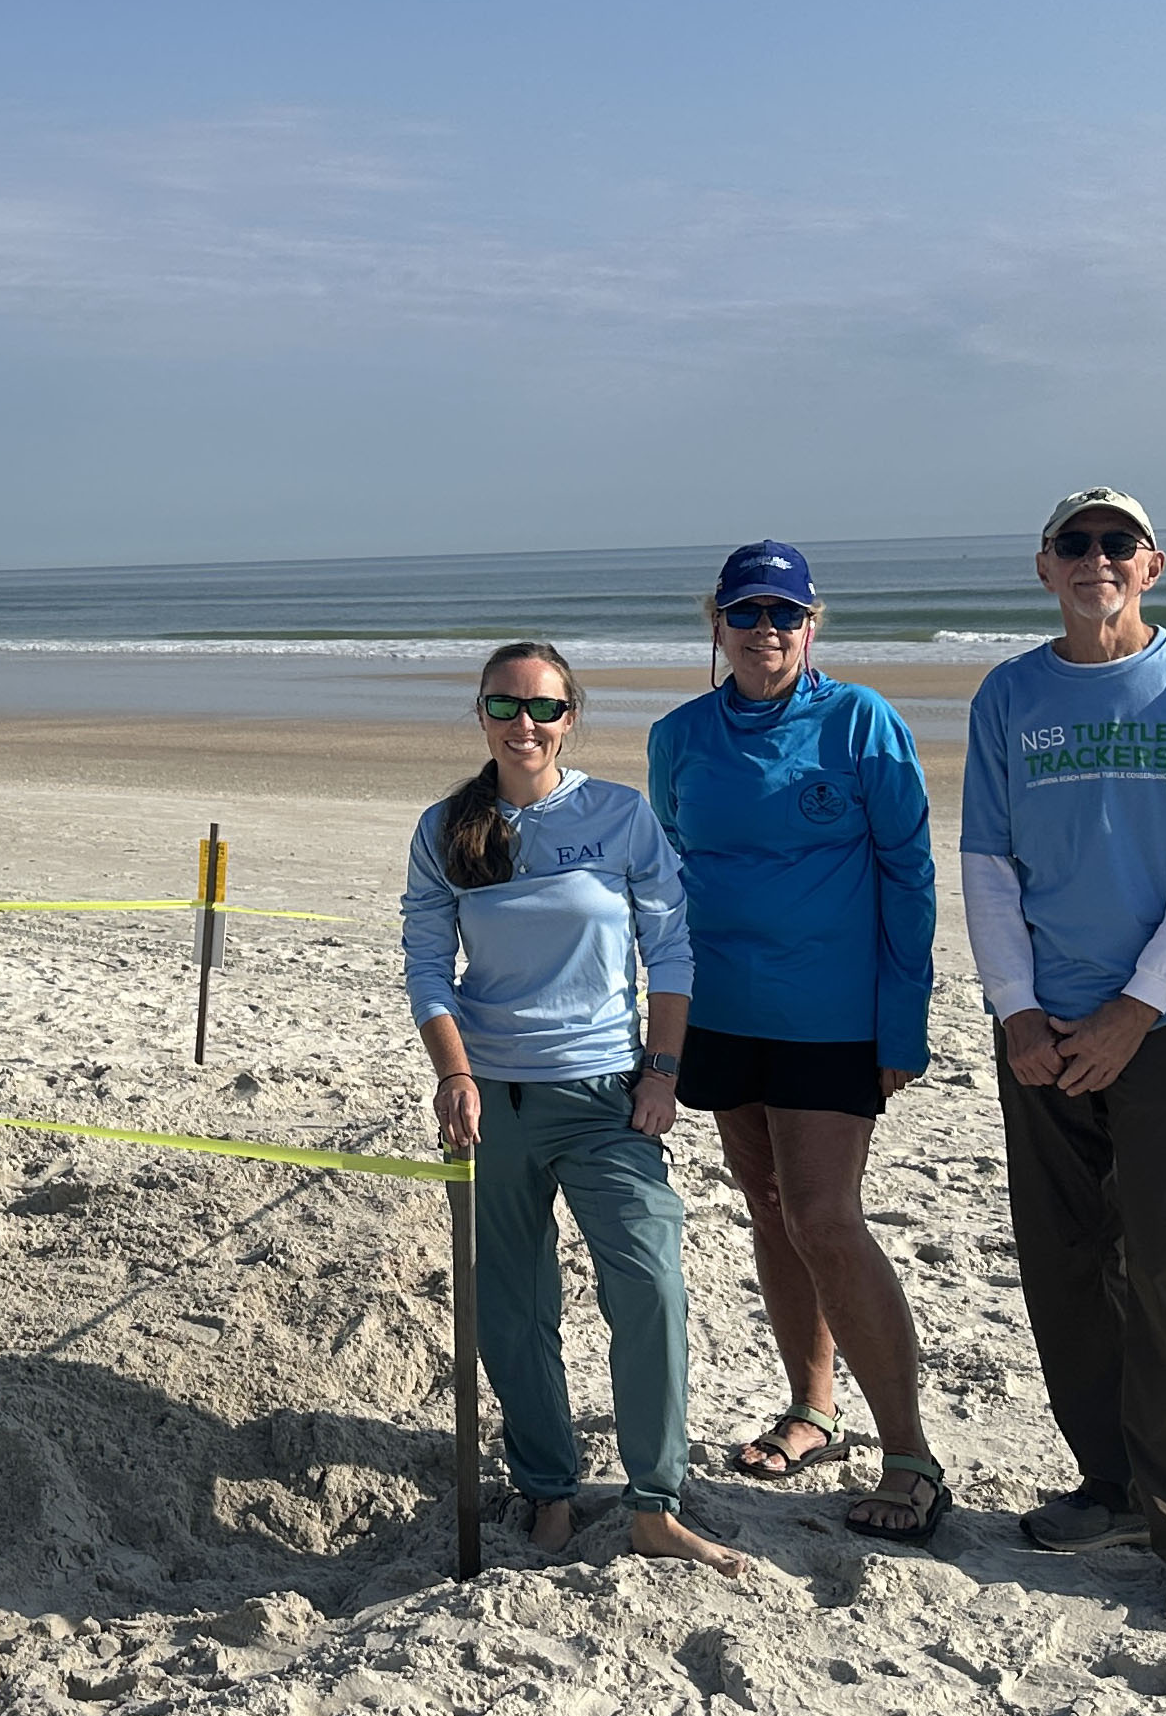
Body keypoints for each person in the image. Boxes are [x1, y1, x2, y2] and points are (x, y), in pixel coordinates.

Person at [962, 487, 1166, 1632]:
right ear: (1042, 567)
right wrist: (1016, 1012)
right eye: (1072, 544)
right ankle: (1111, 1487)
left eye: (1114, 544)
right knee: (1062, 1260)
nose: (1094, 559)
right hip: (1040, 1023)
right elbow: (988, 864)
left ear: (1149, 567)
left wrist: (1135, 1010)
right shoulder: (1009, 692)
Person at [402, 640, 743, 1574]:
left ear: (570, 717)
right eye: (504, 706)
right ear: (480, 714)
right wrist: (453, 1074)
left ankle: (653, 1503)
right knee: (511, 1311)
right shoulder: (445, 828)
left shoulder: (618, 814)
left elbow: (670, 952)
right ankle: (547, 1488)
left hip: (607, 1097)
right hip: (491, 1101)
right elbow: (427, 965)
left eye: (543, 708)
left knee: (648, 1282)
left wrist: (662, 1070)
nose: (524, 725)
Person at [645, 542, 947, 1542]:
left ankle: (906, 1452)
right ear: (716, 625)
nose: (764, 631)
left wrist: (901, 1017)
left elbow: (907, 874)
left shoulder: (860, 722)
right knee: (767, 1207)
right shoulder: (678, 736)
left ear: (811, 625)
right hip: (720, 1009)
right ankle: (811, 1408)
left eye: (783, 614)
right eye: (745, 613)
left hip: (831, 1016)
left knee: (823, 1215)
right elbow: (668, 877)